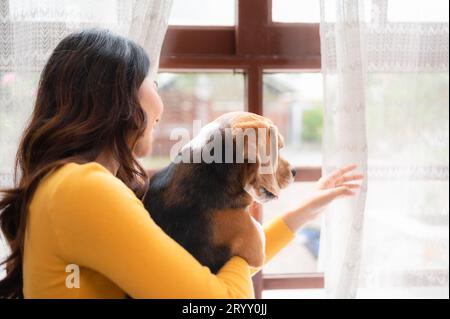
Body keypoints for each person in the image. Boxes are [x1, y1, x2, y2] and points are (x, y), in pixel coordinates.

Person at [0, 29, 363, 298]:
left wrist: (307, 208)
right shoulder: (83, 189)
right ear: (120, 99)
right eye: (153, 82)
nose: (160, 98)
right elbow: (216, 300)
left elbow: (209, 258)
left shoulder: (72, 185)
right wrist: (244, 238)